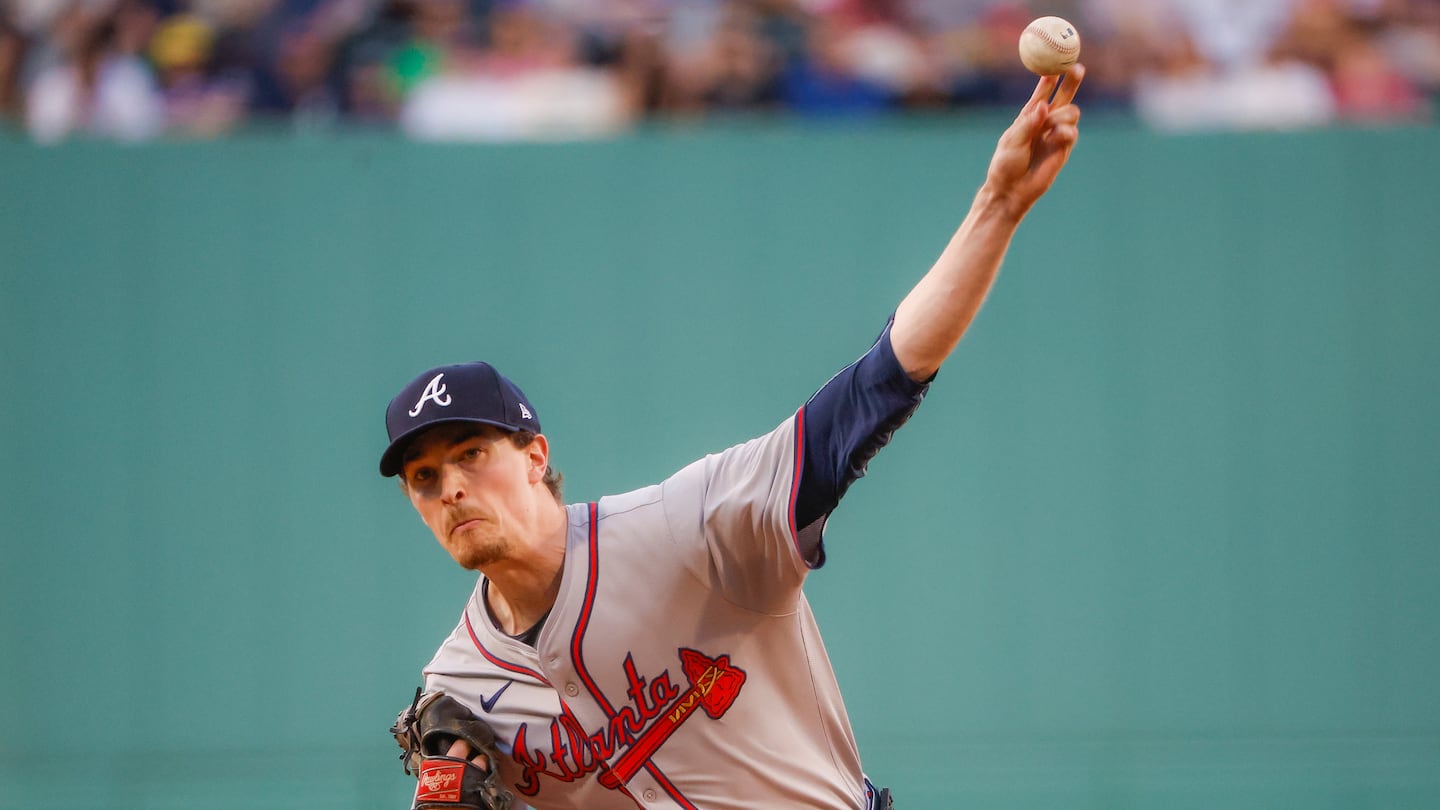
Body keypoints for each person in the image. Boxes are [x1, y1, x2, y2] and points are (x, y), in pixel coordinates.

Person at [379, 65, 1085, 810]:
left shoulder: (688, 526)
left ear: (535, 456)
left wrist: (998, 205)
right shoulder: (461, 685)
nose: (451, 485)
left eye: (470, 454)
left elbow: (878, 384)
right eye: (423, 476)